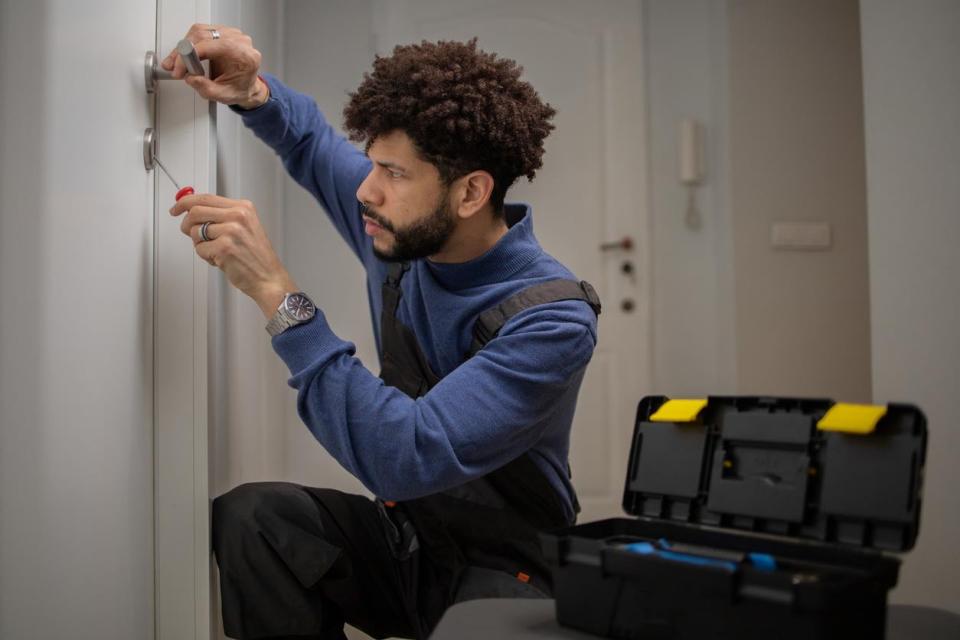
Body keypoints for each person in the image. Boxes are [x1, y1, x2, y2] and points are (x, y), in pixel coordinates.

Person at [164, 23, 601, 640]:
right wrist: (250, 90)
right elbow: (311, 140)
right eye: (371, 163)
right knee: (254, 519)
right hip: (410, 540)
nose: (366, 191)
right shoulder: (402, 231)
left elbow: (407, 454)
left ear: (471, 191)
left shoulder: (552, 318)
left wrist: (277, 295)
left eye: (393, 173)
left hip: (508, 567)